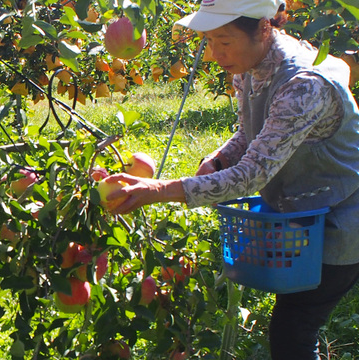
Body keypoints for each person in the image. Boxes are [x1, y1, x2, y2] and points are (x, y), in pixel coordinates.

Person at [104, 0, 359, 359]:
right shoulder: (250, 65)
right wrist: (221, 157)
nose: (214, 54)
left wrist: (159, 190)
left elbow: (252, 175)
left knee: (294, 329)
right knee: (295, 325)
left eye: (224, 41)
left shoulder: (304, 85)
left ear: (264, 28)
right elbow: (250, 133)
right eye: (209, 42)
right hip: (302, 215)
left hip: (343, 218)